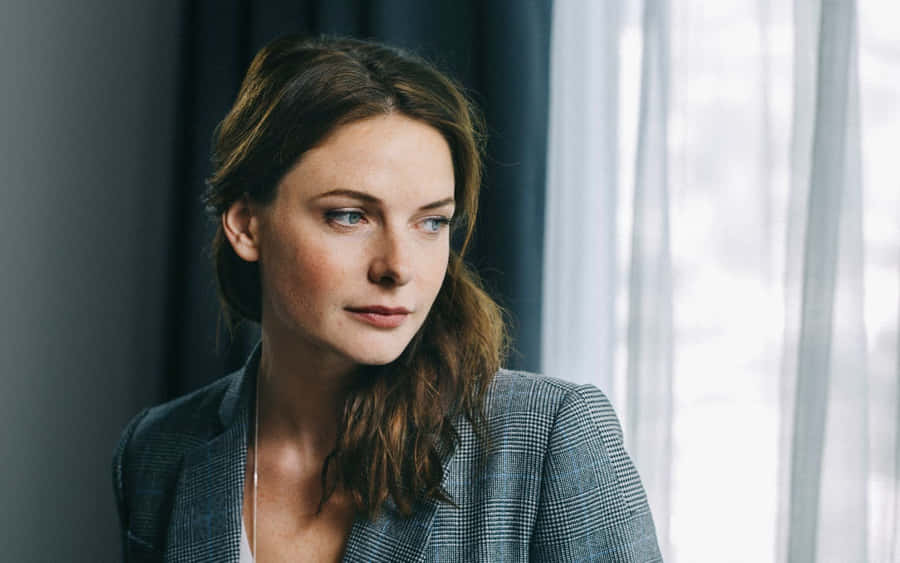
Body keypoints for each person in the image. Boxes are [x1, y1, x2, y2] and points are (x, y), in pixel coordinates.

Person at [111, 34, 662, 562]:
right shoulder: (157, 449)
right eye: (349, 215)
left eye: (431, 222)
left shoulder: (549, 439)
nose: (398, 267)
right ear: (247, 226)